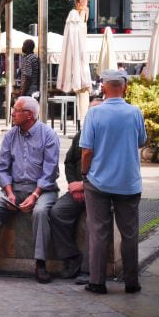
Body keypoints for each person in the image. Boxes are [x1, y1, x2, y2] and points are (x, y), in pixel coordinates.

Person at [0, 96, 59, 283]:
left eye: (16, 110)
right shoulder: (10, 135)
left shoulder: (48, 135)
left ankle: (40, 264)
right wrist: (9, 193)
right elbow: (2, 167)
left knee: (41, 212)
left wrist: (34, 195)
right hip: (14, 187)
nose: (12, 113)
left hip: (42, 189)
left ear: (30, 115)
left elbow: (50, 171)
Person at [80, 69, 147, 295]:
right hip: (128, 182)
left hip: (98, 182)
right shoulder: (135, 112)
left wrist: (84, 173)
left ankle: (97, 282)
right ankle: (131, 282)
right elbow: (141, 141)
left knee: (98, 232)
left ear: (104, 88)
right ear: (125, 87)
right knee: (130, 234)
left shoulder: (94, 114)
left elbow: (87, 150)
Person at [49, 98, 104, 286]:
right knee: (57, 212)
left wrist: (83, 185)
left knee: (92, 223)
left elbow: (107, 168)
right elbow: (69, 162)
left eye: (96, 112)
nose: (92, 116)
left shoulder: (107, 137)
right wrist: (73, 183)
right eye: (90, 112)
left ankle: (89, 270)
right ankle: (71, 257)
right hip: (78, 189)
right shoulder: (81, 135)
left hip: (100, 191)